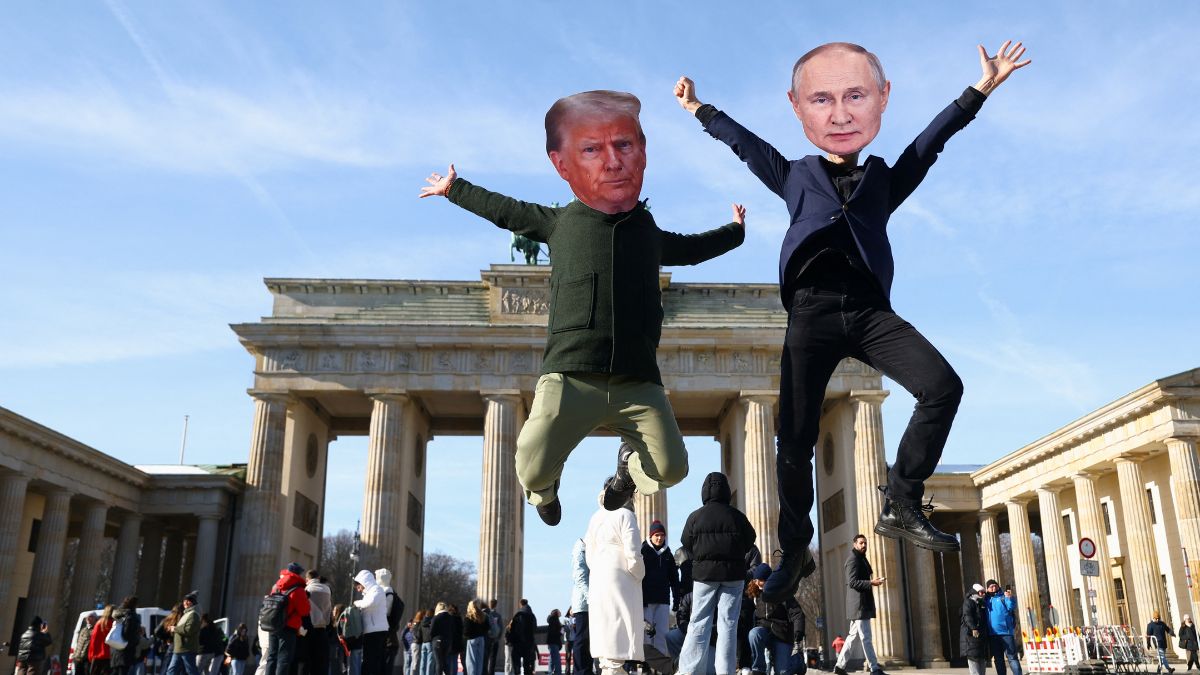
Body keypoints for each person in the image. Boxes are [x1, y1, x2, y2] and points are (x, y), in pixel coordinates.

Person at [674, 39, 1031, 600]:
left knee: (943, 386)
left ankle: (903, 498)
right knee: (792, 442)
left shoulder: (884, 181)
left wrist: (981, 88)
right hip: (811, 314)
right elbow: (746, 146)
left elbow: (931, 143)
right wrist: (700, 109)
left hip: (867, 313)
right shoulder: (795, 176)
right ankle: (795, 551)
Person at [419, 89, 747, 527]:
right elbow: (507, 211)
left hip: (637, 380)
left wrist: (735, 231)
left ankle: (625, 475)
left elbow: (691, 249)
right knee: (529, 467)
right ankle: (547, 492)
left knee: (672, 468)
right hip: (571, 375)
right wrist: (455, 189)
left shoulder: (646, 230)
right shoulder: (560, 222)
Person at [678, 472, 757, 675]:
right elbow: (750, 540)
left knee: (698, 623)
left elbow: (686, 542)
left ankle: (688, 671)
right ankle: (726, 671)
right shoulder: (737, 516)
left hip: (704, 577)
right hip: (733, 576)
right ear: (727, 492)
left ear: (704, 492)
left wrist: (702, 555)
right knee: (728, 625)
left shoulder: (695, 516)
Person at [583, 491, 645, 675]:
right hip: (620, 575)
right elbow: (633, 551)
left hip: (598, 574)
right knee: (619, 626)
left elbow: (589, 554)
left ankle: (609, 668)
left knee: (604, 626)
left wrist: (598, 568)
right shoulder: (626, 515)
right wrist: (639, 572)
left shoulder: (595, 517)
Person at [833, 535, 885, 675]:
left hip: (861, 603)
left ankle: (839, 666)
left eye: (865, 543)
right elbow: (852, 582)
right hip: (859, 605)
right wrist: (871, 583)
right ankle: (874, 668)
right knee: (866, 637)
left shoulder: (861, 558)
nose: (864, 545)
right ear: (855, 544)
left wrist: (873, 581)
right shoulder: (853, 560)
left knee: (852, 637)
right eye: (861, 543)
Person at [746, 564, 806, 675]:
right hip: (764, 633)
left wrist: (798, 632)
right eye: (756, 580)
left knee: (782, 672)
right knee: (754, 633)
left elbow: (797, 613)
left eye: (761, 580)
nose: (758, 583)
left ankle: (798, 662)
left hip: (781, 635)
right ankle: (758, 669)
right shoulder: (755, 595)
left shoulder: (782, 593)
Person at [640, 520, 678, 667]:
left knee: (662, 634)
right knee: (646, 634)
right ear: (651, 536)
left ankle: (661, 666)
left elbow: (674, 578)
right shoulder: (643, 551)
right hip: (646, 600)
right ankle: (645, 665)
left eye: (662, 535)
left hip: (662, 600)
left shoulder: (668, 553)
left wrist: (676, 599)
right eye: (656, 535)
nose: (659, 538)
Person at [266, 563, 313, 675]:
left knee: (272, 656)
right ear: (298, 574)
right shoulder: (298, 590)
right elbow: (305, 611)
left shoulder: (276, 586)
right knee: (284, 658)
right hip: (288, 627)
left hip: (273, 625)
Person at [353, 570, 389, 675]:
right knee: (375, 661)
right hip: (373, 630)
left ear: (364, 582)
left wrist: (357, 603)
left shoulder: (377, 590)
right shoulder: (370, 592)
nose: (359, 590)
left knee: (371, 661)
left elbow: (370, 603)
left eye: (359, 587)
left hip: (375, 631)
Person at [984, 580, 1021, 675]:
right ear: (987, 589)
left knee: (1012, 658)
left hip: (1006, 633)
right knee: (998, 659)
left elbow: (1011, 607)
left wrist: (1010, 597)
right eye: (991, 586)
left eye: (995, 586)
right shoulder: (986, 600)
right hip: (993, 634)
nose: (993, 588)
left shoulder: (1003, 597)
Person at [303, 571, 333, 675]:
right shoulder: (327, 589)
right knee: (321, 662)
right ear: (318, 577)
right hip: (323, 628)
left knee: (308, 661)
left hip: (310, 628)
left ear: (307, 579)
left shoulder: (307, 589)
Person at [569, 541, 592, 675]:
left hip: (588, 602)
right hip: (584, 603)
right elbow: (580, 577)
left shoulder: (588, 548)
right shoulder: (580, 549)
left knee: (587, 639)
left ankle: (586, 670)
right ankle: (581, 671)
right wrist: (591, 597)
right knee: (582, 639)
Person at [167, 593, 201, 675]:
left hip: (187, 649)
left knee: (191, 671)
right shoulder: (186, 614)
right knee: (171, 671)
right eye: (184, 600)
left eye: (188, 601)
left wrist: (175, 628)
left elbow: (188, 631)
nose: (185, 602)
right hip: (179, 649)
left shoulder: (193, 615)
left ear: (193, 602)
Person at [960, 584, 989, 675]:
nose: (983, 594)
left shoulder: (981, 603)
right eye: (981, 592)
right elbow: (967, 616)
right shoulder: (969, 602)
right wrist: (973, 628)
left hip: (980, 637)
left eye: (984, 592)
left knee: (981, 661)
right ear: (975, 592)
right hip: (971, 637)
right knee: (974, 662)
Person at [112, 597, 143, 675]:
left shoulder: (121, 614)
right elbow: (127, 634)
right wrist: (137, 638)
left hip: (116, 650)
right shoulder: (131, 616)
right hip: (126, 651)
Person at [463, 601, 489, 675]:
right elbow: (487, 627)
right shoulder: (482, 615)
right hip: (481, 639)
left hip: (472, 639)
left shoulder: (469, 616)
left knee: (471, 661)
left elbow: (466, 630)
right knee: (479, 660)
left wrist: (467, 636)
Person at [90, 605, 116, 675]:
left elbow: (93, 641)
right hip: (109, 656)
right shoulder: (114, 624)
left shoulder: (99, 624)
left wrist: (91, 655)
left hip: (97, 656)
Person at [483, 601, 502, 675]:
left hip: (486, 639)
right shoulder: (498, 615)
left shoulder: (485, 615)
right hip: (494, 640)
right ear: (496, 605)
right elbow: (500, 628)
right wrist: (498, 638)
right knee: (493, 659)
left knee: (485, 658)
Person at [545, 610, 563, 675]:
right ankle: (558, 673)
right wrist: (561, 631)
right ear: (556, 613)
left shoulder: (553, 620)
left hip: (552, 642)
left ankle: (550, 672)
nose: (560, 613)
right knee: (557, 660)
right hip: (554, 642)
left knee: (552, 659)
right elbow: (554, 632)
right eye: (559, 612)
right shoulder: (554, 620)